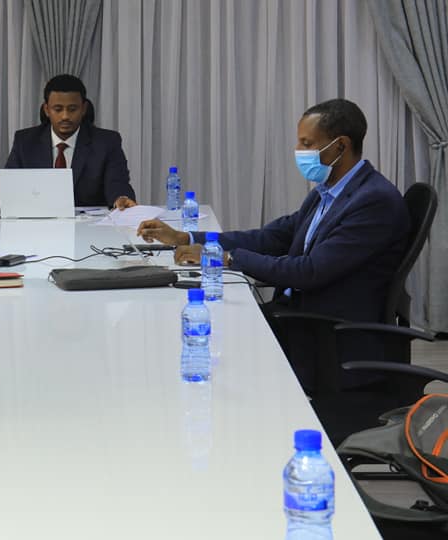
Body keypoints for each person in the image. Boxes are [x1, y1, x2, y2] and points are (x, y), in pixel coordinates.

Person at [137, 98, 410, 390]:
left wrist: (226, 258)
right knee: (198, 327)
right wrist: (187, 238)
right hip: (300, 314)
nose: (298, 151)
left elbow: (310, 271)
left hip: (330, 332)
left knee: (212, 341)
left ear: (340, 146)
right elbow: (273, 237)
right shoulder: (329, 191)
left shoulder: (373, 201)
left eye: (307, 143)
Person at [5, 74, 136, 209]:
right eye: (58, 109)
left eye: (72, 109)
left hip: (90, 222)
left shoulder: (106, 143)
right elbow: (9, 188)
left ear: (84, 109)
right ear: (47, 110)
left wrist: (121, 198)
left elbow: (117, 182)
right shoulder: (25, 142)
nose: (65, 116)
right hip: (37, 220)